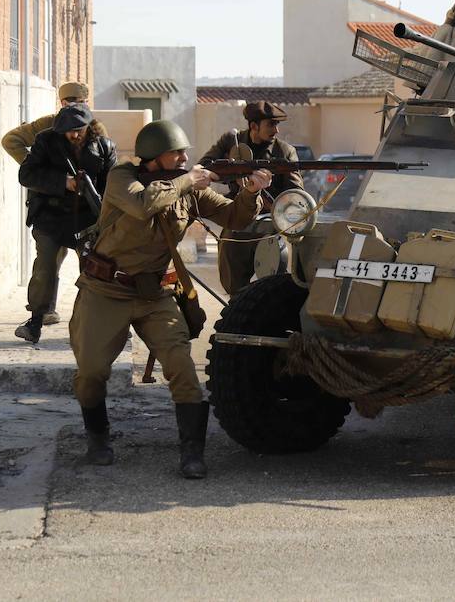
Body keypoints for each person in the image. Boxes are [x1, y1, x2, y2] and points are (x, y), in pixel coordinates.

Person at [71, 119, 271, 479]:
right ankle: (97, 440)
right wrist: (187, 181)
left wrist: (251, 192)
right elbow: (143, 203)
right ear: (152, 157)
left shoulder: (189, 188)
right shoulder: (122, 177)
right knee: (91, 373)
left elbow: (233, 217)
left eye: (184, 152)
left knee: (182, 368)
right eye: (175, 153)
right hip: (106, 290)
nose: (184, 158)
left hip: (155, 294)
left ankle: (192, 454)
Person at [14, 104, 117, 344]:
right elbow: (26, 175)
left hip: (88, 220)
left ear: (88, 127)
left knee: (93, 272)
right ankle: (36, 320)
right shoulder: (46, 141)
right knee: (45, 269)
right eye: (68, 131)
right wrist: (63, 182)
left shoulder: (104, 146)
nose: (73, 135)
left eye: (78, 130)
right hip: (51, 218)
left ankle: (90, 323)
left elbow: (112, 185)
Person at [201, 101, 306, 294]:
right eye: (271, 125)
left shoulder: (283, 152)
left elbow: (294, 194)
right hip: (237, 219)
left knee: (272, 286)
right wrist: (234, 175)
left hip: (269, 224)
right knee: (234, 285)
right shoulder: (231, 142)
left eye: (277, 124)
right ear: (253, 126)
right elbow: (204, 167)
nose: (276, 130)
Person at [1, 81, 91, 165]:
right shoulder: (49, 123)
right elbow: (10, 140)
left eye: (86, 102)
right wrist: (37, 168)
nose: (85, 107)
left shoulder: (93, 125)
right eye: (81, 102)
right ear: (65, 104)